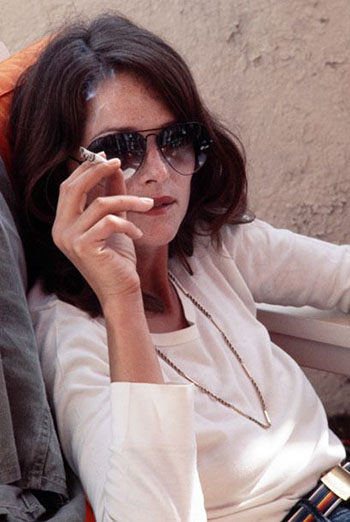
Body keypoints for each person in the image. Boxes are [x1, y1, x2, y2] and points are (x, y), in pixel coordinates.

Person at [9, 12, 350, 522]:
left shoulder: (210, 246)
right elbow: (146, 514)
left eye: (175, 139)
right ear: (65, 174)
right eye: (118, 150)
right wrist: (121, 298)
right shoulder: (69, 333)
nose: (158, 172)